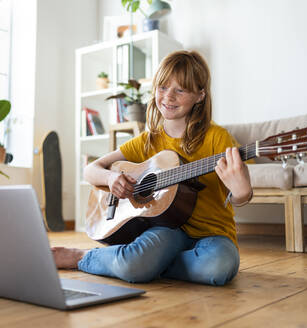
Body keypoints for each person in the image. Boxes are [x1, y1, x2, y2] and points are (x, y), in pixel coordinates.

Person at [53, 50, 253, 286]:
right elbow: (91, 169)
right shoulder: (149, 141)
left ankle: (144, 264)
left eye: (180, 90)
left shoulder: (217, 138)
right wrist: (110, 178)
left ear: (200, 95)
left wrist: (242, 193)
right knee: (135, 264)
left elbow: (240, 195)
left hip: (213, 236)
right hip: (167, 230)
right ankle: (84, 258)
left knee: (218, 266)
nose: (168, 97)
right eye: (163, 87)